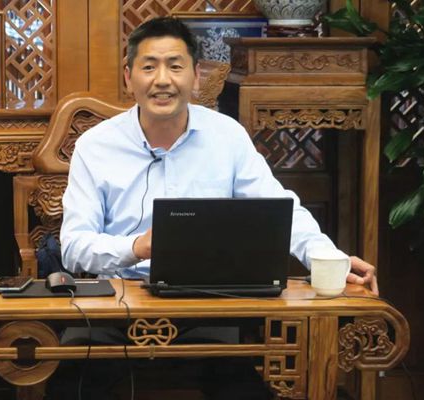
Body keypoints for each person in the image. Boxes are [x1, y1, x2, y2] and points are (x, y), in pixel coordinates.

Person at [53, 16, 378, 400]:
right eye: (149, 67)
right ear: (129, 76)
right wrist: (137, 247)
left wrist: (330, 260)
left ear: (196, 76)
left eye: (175, 66)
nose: (162, 80)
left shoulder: (227, 137)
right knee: (68, 388)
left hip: (207, 305)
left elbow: (280, 210)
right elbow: (73, 245)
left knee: (245, 390)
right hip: (115, 305)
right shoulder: (95, 146)